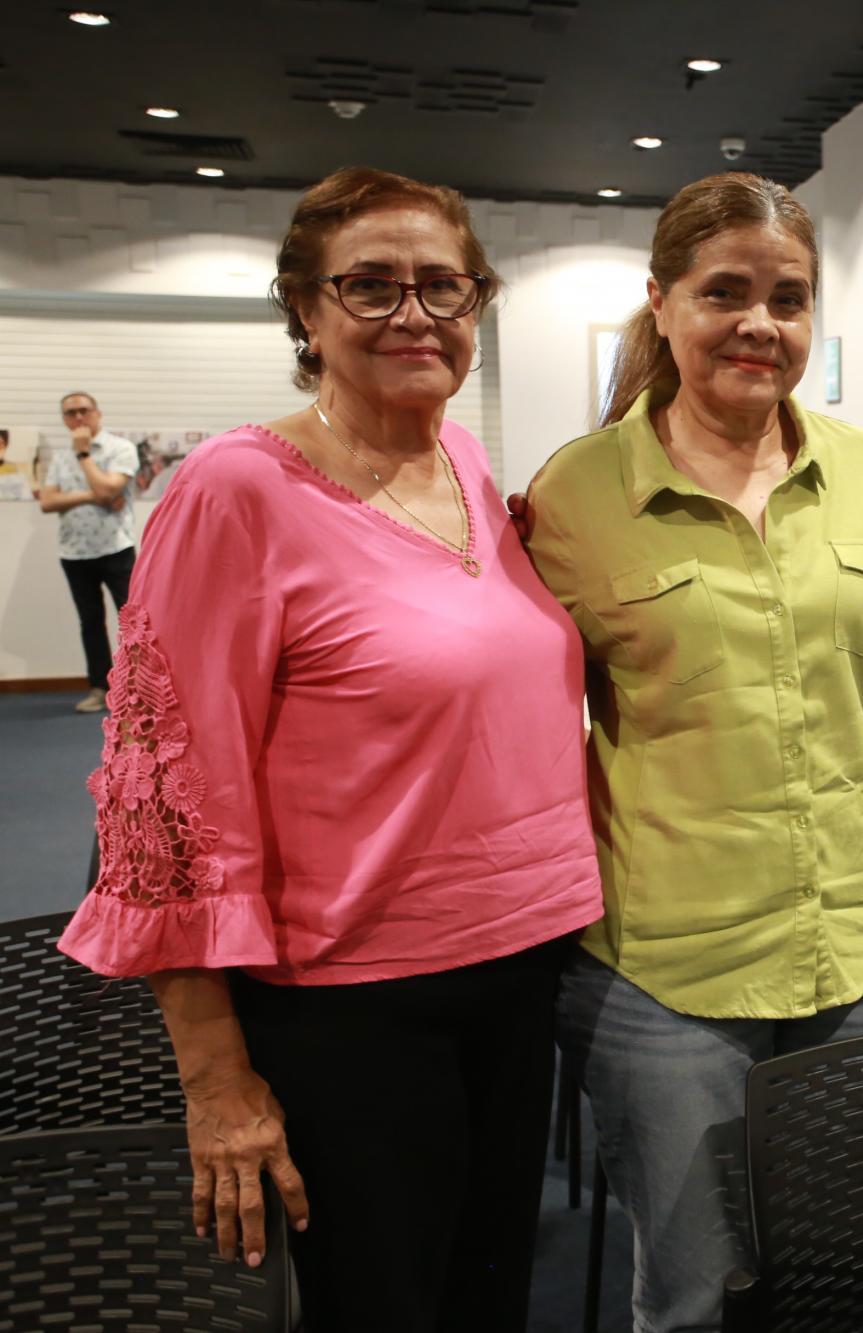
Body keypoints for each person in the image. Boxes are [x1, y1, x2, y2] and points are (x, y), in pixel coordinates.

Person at [57, 166, 603, 1332]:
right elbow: (164, 794)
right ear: (304, 311)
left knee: (488, 1291)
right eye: (371, 286)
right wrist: (215, 1077)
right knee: (382, 1306)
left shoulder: (460, 461)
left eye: (444, 287)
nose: (415, 314)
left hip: (514, 974)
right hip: (352, 1000)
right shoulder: (234, 491)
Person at [521, 172, 863, 1333]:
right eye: (725, 293)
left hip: (853, 950)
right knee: (694, 1292)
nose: (759, 322)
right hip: (664, 972)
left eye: (787, 298)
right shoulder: (576, 494)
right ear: (662, 303)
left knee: (852, 1273)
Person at [36, 392, 140, 713]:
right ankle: (100, 687)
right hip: (74, 553)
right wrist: (93, 495)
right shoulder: (59, 458)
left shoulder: (121, 448)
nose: (78, 418)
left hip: (115, 549)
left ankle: (139, 690)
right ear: (65, 419)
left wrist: (84, 457)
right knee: (90, 622)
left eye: (84, 411)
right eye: (71, 413)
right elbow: (48, 502)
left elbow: (109, 488)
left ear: (97, 414)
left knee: (134, 622)